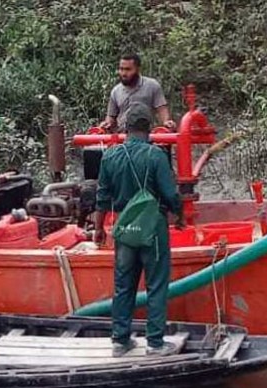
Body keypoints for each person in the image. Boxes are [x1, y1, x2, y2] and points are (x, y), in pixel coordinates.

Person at [93, 102, 184, 358]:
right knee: (156, 284)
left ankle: (120, 342)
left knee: (123, 286)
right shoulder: (155, 155)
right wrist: (179, 216)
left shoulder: (110, 155)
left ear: (125, 126)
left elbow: (101, 196)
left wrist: (98, 229)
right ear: (148, 127)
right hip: (152, 228)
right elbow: (170, 194)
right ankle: (155, 343)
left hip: (125, 228)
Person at [101, 54, 176, 132]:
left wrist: (166, 122)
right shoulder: (116, 91)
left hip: (147, 136)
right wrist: (106, 124)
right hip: (123, 137)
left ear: (138, 69)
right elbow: (111, 117)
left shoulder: (152, 86)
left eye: (128, 69)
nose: (123, 73)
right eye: (121, 69)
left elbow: (162, 109)